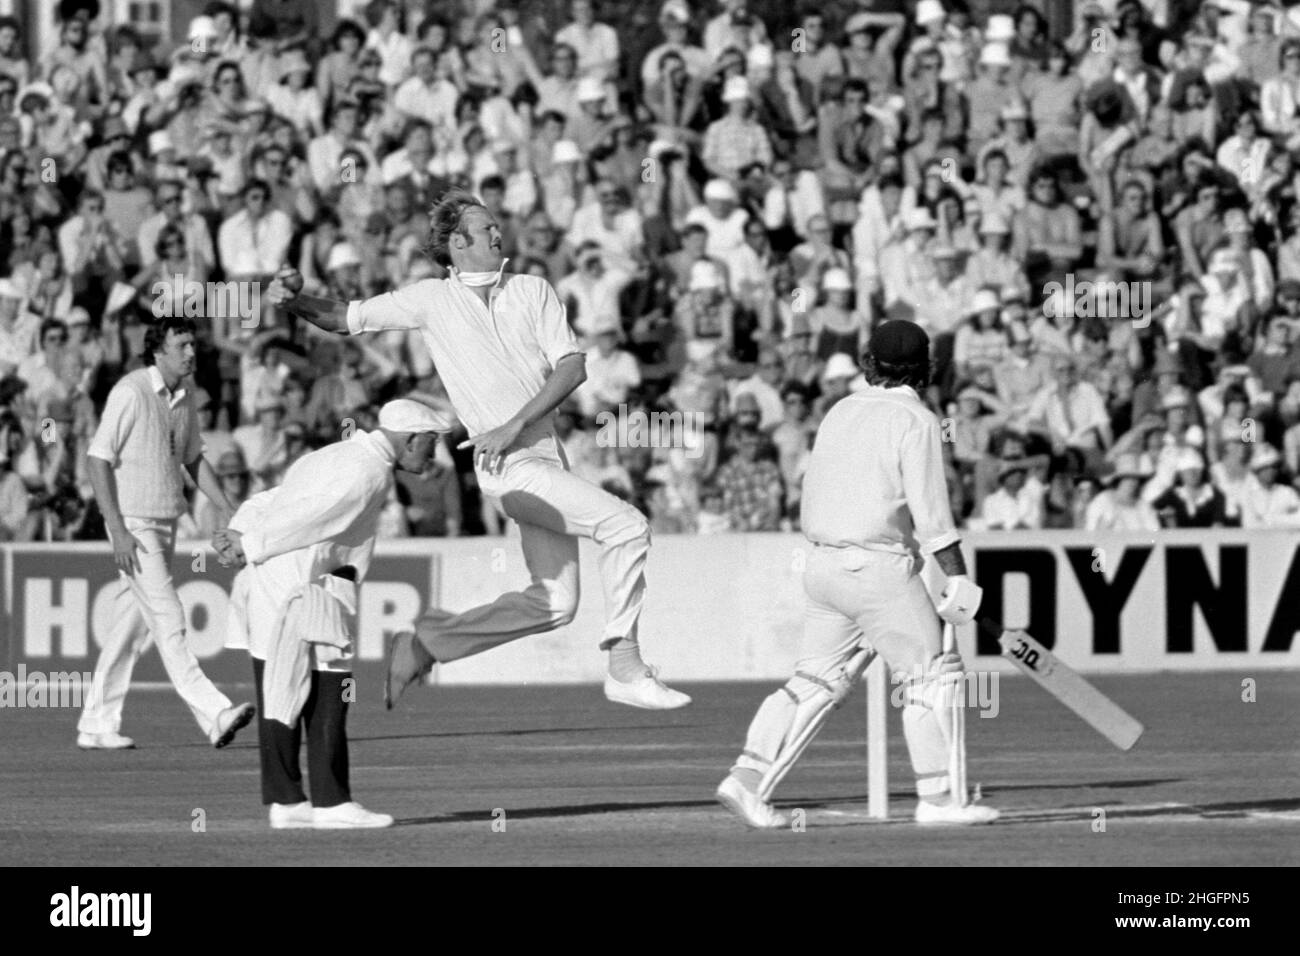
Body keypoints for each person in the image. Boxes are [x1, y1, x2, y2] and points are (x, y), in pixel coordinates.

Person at [265, 189, 690, 711]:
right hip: (504, 466)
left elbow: (573, 367)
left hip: (543, 456)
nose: (498, 232)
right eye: (486, 227)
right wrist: (293, 302)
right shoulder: (430, 298)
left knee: (555, 603)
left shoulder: (533, 289)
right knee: (626, 526)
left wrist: (515, 424)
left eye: (495, 225)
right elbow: (343, 318)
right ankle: (625, 663)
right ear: (458, 243)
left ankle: (425, 643)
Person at [716, 321, 998, 828]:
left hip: (821, 567)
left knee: (814, 681)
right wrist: (958, 579)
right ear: (928, 367)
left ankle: (747, 777)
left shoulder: (838, 410)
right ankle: (938, 799)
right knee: (931, 678)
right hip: (878, 569)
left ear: (869, 363)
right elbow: (933, 516)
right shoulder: (919, 420)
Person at [216, 399, 451, 829]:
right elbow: (310, 517)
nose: (434, 453)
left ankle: (287, 801)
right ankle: (331, 802)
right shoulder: (370, 472)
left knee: (283, 686)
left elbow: (276, 498)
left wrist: (242, 529)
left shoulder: (336, 453)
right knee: (331, 686)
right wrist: (247, 544)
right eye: (431, 442)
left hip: (282, 576)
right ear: (410, 438)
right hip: (307, 582)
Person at [75, 317, 255, 751]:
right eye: (182, 345)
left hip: (164, 520)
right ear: (158, 351)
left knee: (131, 627)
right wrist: (116, 528)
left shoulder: (185, 394)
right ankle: (215, 713)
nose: (191, 353)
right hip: (134, 526)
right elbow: (97, 459)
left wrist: (227, 509)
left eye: (193, 344)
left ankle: (96, 722)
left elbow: (193, 458)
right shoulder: (131, 391)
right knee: (170, 617)